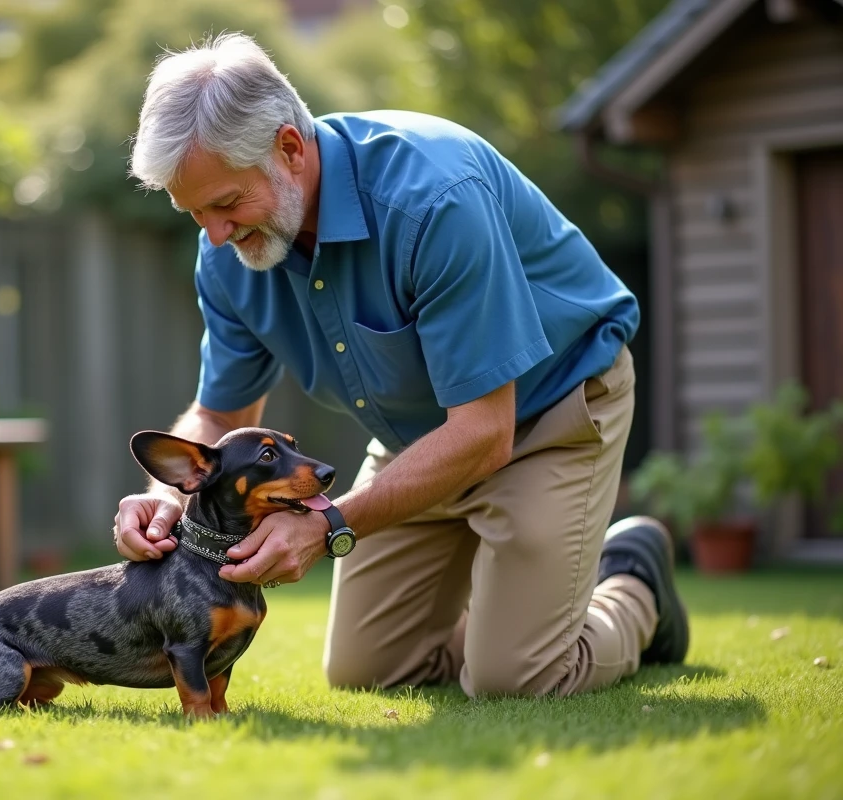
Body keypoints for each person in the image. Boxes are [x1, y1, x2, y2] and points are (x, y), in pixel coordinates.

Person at [112, 32, 688, 698]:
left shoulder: (435, 200)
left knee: (517, 677)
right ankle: (512, 620)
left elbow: (483, 432)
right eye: (195, 214)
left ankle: (634, 586)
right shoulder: (227, 256)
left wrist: (326, 524)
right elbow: (222, 412)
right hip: (420, 437)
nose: (214, 235)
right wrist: (164, 503)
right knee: (368, 672)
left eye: (227, 204)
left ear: (290, 150)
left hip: (550, 409)